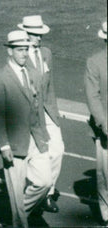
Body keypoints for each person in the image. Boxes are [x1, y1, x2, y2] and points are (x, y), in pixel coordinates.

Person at [0, 30, 52, 227]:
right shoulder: (0, 78)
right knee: (16, 192)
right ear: (10, 52)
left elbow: (38, 107)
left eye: (26, 49)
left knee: (45, 181)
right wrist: (4, 146)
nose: (24, 54)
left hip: (35, 138)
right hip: (14, 143)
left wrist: (43, 135)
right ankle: (19, 219)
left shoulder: (34, 73)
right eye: (19, 50)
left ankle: (19, 213)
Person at [19, 15, 64, 213]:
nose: (38, 38)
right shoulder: (20, 55)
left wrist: (54, 113)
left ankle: (47, 193)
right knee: (35, 154)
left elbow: (50, 85)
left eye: (40, 34)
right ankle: (34, 192)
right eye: (34, 34)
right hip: (30, 113)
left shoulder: (46, 53)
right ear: (25, 34)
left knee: (58, 150)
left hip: (47, 111)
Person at [85, 21, 108, 226]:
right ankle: (107, 216)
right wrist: (104, 124)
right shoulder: (95, 62)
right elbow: (93, 97)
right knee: (105, 176)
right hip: (105, 130)